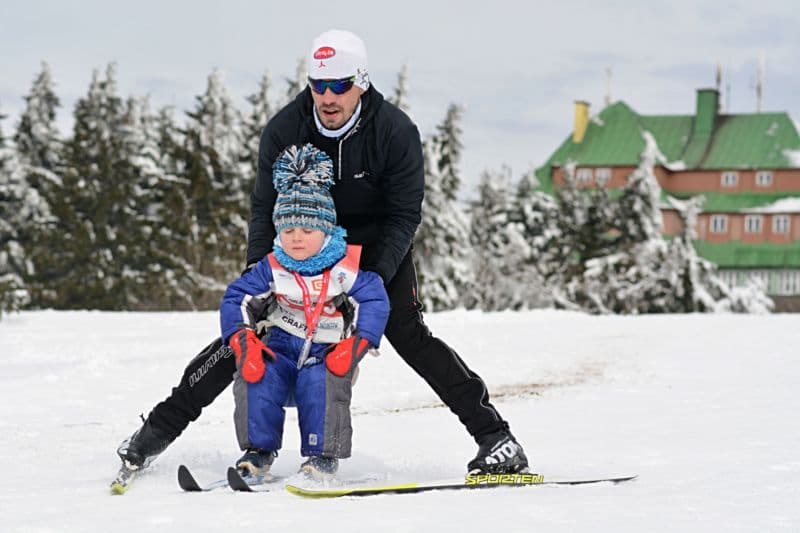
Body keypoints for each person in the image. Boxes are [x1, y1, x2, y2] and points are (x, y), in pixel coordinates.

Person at [117, 28, 528, 476]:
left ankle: (496, 439)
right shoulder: (285, 129)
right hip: (301, 242)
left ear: (362, 82)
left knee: (407, 332)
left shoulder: (394, 132)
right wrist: (261, 266)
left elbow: (404, 215)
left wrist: (365, 278)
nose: (328, 97)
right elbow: (263, 206)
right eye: (318, 84)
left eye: (340, 85)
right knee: (248, 331)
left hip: (375, 248)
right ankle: (155, 433)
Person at [222, 143, 389, 478]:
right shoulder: (272, 267)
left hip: (327, 353)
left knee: (321, 382)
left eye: (307, 231)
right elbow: (236, 297)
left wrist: (359, 343)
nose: (296, 239)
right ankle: (257, 452)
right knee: (256, 376)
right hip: (281, 348)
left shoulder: (343, 268)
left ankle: (322, 456)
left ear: (325, 230)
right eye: (287, 230)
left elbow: (373, 299)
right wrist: (243, 340)